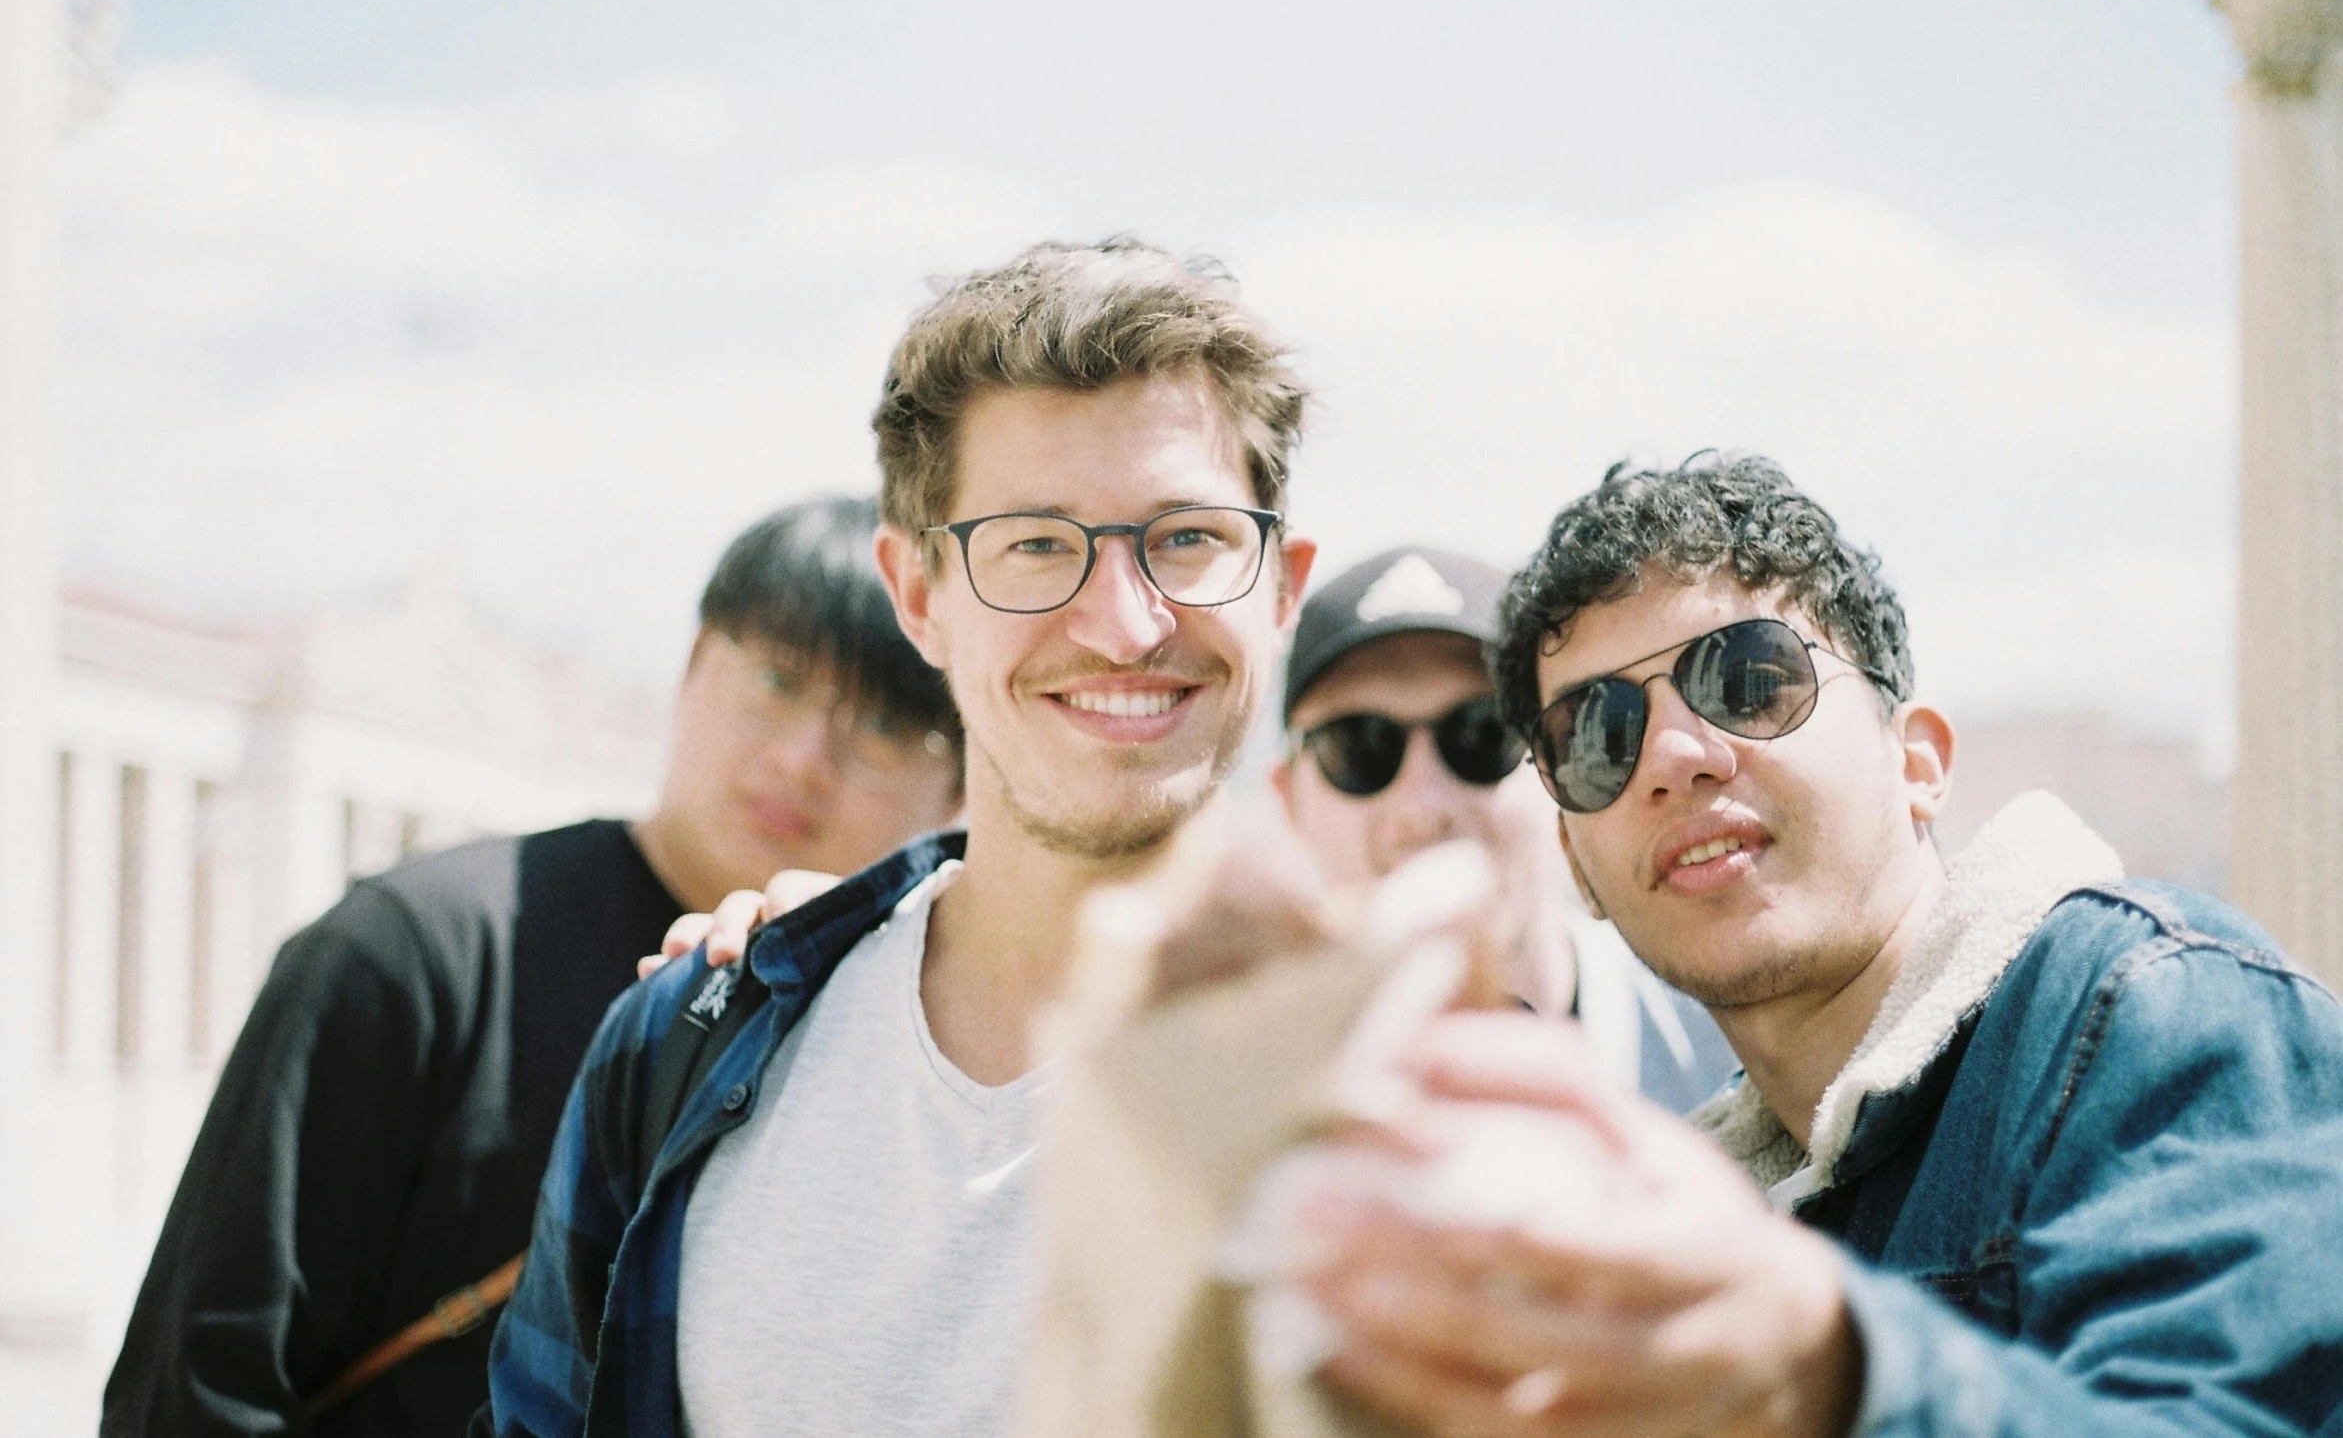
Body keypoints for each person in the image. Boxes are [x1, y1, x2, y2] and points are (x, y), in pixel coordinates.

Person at [1282, 454, 2343, 1436]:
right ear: (1578, 858)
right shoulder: (1704, 1206)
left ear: (1919, 760)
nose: (1676, 758)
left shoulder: (2156, 1016)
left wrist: (1836, 1368)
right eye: (1598, 736)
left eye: (1747, 679)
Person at [480, 236, 1317, 1438]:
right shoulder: (690, 1046)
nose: (1126, 624)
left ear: (1280, 587)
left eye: (1187, 539)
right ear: (919, 595)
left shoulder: (1417, 1087)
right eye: (1036, 543)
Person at [103, 497, 963, 1438]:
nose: (804, 759)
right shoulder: (414, 955)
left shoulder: (925, 1061)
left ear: (962, 786)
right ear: (687, 670)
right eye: (772, 677)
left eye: (885, 724)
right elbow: (192, 1390)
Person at [1272, 543, 1735, 1111]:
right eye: (1359, 747)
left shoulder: (1726, 1042)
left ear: (1564, 767)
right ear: (1286, 798)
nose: (1423, 807)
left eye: (1481, 735)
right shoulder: (1230, 1107)